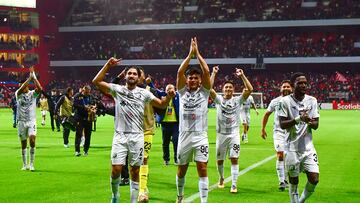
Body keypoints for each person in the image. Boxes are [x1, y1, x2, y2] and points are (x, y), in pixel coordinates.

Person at [92, 57, 174, 203]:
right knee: (116, 169)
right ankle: (115, 196)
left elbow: (161, 105)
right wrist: (108, 65)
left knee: (135, 171)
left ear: (138, 77)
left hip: (137, 137)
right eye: (129, 73)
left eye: (134, 74)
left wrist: (169, 97)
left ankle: (133, 200)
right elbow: (96, 82)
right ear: (126, 76)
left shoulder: (145, 93)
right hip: (120, 136)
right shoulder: (118, 90)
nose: (131, 75)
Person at [175, 37, 211, 203]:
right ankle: (180, 196)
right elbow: (180, 72)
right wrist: (190, 55)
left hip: (200, 136)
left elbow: (207, 71)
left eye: (196, 78)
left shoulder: (205, 92)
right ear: (187, 80)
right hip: (184, 136)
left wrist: (198, 54)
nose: (194, 80)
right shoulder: (181, 92)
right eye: (191, 78)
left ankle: (204, 201)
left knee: (202, 168)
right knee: (182, 170)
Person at [209, 66, 253, 193]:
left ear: (233, 90)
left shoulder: (238, 100)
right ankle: (221, 178)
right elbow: (209, 89)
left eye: (230, 87)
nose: (228, 89)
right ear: (223, 90)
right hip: (221, 135)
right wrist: (213, 73)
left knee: (234, 159)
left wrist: (242, 75)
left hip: (234, 134)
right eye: (226, 87)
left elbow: (250, 89)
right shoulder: (218, 100)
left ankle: (234, 184)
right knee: (220, 160)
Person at [278, 72, 320, 203]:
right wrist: (298, 119)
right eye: (300, 83)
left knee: (314, 179)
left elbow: (316, 125)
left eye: (305, 83)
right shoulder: (284, 101)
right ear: (292, 85)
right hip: (291, 148)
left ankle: (300, 201)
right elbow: (282, 124)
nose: (303, 85)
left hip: (308, 148)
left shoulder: (312, 100)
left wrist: (308, 121)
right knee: (294, 182)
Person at [261, 80, 292, 191]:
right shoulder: (275, 101)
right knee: (280, 155)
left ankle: (287, 178)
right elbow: (266, 114)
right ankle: (281, 181)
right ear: (280, 88)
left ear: (291, 88)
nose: (286, 88)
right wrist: (263, 129)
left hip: (291, 134)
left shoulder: (296, 101)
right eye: (284, 86)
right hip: (278, 132)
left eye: (288, 86)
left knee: (289, 158)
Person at [16, 70, 42, 171]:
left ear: (27, 86)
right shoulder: (18, 94)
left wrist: (34, 78)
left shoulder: (32, 94)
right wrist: (29, 78)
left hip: (31, 121)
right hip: (21, 122)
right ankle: (24, 164)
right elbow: (21, 88)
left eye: (22, 86)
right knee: (23, 144)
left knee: (32, 140)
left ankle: (31, 164)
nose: (21, 88)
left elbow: (40, 89)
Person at [156, 84, 180, 166]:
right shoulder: (162, 96)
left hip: (175, 124)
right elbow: (155, 90)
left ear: (174, 90)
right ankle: (166, 159)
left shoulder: (178, 96)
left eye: (171, 88)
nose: (170, 90)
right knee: (165, 143)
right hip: (165, 123)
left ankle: (177, 159)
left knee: (176, 142)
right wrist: (149, 82)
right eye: (168, 89)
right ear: (165, 91)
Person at [73, 85, 96, 156]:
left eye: (88, 92)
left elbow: (94, 104)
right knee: (78, 134)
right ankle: (77, 151)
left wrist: (93, 108)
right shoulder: (77, 96)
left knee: (88, 135)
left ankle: (86, 150)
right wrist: (84, 107)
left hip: (88, 119)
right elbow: (74, 105)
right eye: (86, 92)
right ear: (83, 90)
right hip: (80, 118)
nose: (87, 93)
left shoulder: (91, 96)